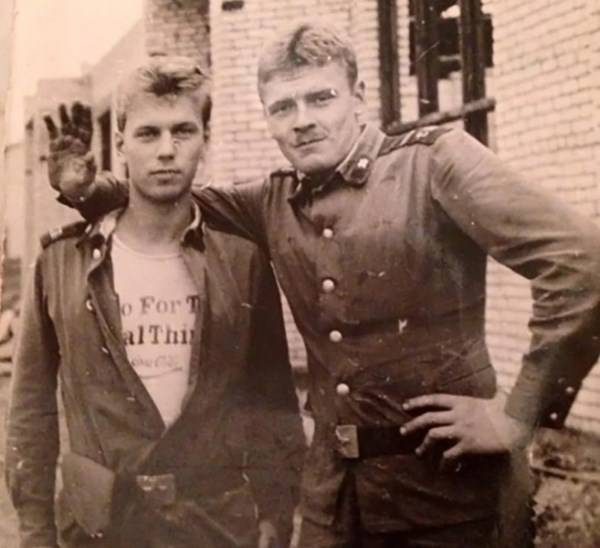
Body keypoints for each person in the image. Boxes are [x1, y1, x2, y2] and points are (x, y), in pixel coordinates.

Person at [46, 22, 600, 548]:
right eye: (282, 107)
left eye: (321, 98)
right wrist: (86, 190)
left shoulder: (435, 165)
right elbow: (167, 191)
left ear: (358, 97)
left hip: (454, 498)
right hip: (334, 503)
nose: (302, 121)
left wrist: (519, 415)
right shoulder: (271, 200)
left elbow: (582, 261)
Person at [5, 57, 305, 548]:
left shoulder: (242, 261)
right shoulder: (61, 262)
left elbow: (272, 400)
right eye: (148, 134)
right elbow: (31, 414)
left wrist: (276, 513)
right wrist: (36, 534)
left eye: (182, 131)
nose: (167, 150)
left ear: (206, 139)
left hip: (215, 526)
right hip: (101, 529)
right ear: (120, 142)